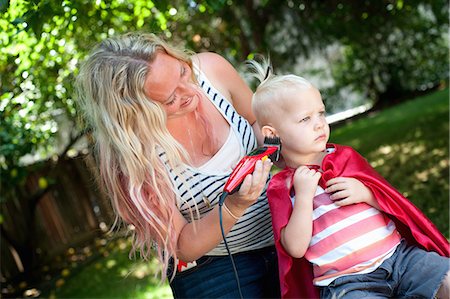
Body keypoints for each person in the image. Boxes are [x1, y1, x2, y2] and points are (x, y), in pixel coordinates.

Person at [75, 32, 281, 298]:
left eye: (183, 72)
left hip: (284, 231)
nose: (191, 91)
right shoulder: (134, 154)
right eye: (170, 99)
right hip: (213, 267)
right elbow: (183, 244)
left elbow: (256, 120)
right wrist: (233, 207)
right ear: (137, 112)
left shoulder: (211, 69)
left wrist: (281, 146)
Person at [247, 59, 450, 299]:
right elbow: (295, 247)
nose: (319, 124)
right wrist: (303, 197)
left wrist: (365, 193)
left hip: (400, 257)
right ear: (273, 134)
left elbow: (391, 201)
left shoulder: (344, 158)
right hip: (348, 283)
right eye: (305, 119)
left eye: (320, 113)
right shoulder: (283, 188)